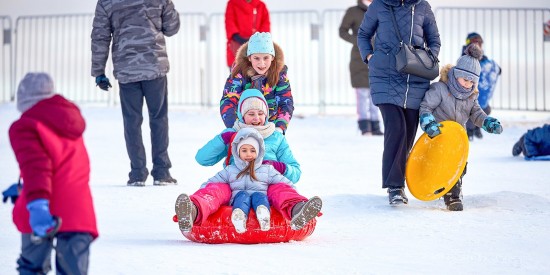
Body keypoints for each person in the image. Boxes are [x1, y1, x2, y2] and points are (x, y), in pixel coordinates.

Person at [175, 89, 321, 233]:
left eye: (261, 114)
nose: (256, 119)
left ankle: (299, 211)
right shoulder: (234, 135)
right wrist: (223, 139)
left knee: (281, 190)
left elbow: (296, 174)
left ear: (266, 115)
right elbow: (202, 159)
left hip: (266, 183)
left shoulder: (276, 137)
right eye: (251, 114)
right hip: (234, 184)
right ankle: (192, 211)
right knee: (216, 190)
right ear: (242, 115)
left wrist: (280, 167)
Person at [5, 72, 98, 274]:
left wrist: (36, 202)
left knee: (32, 268)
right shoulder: (69, 123)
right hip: (78, 212)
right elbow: (65, 170)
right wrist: (24, 189)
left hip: (42, 212)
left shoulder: (25, 126)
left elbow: (37, 168)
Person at [357, 0, 441, 205]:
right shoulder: (378, 5)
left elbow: (434, 40)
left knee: (409, 132)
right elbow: (363, 35)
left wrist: (427, 58)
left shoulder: (422, 7)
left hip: (415, 78)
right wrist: (369, 57)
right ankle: (394, 187)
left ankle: (400, 182)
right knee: (397, 128)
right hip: (385, 77)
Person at [91, 0, 180, 186]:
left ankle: (138, 173)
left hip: (127, 68)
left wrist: (99, 71)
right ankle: (162, 172)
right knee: (159, 119)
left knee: (132, 121)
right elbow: (172, 27)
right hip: (154, 65)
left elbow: (100, 36)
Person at [419, 44, 503, 211]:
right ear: (457, 74)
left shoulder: (471, 96)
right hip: (438, 136)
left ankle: (453, 191)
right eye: (466, 79)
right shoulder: (440, 89)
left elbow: (477, 114)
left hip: (458, 140)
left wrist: (488, 123)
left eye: (472, 81)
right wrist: (428, 122)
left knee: (459, 168)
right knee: (440, 164)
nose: (468, 84)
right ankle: (451, 196)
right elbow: (425, 107)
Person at [191, 127, 294, 233]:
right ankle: (239, 217)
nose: (248, 154)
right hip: (238, 201)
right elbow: (213, 182)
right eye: (244, 150)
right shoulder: (231, 170)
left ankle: (263, 215)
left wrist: (293, 191)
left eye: (252, 150)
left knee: (260, 196)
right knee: (242, 195)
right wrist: (202, 191)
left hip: (259, 200)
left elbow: (284, 182)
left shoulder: (266, 169)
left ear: (258, 152)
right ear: (238, 152)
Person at [220, 32, 294, 134]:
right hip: (243, 126)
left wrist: (279, 128)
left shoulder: (279, 74)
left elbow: (285, 101)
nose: (262, 63)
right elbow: (228, 100)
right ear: (249, 58)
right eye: (256, 58)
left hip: (270, 128)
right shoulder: (239, 74)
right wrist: (235, 126)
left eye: (266, 58)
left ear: (272, 57)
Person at [339, 0, 382, 135]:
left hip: (379, 56)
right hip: (359, 58)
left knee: (376, 92)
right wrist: (359, 41)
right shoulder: (353, 11)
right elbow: (342, 31)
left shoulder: (381, 9)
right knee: (363, 92)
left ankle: (375, 126)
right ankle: (364, 126)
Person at [461, 32, 502, 141]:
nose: (477, 44)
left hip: (478, 94)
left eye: (479, 42)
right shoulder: (465, 58)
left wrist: (494, 68)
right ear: (469, 44)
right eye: (475, 42)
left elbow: (497, 69)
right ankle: (469, 130)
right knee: (470, 109)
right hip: (466, 95)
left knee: (486, 109)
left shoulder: (483, 58)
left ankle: (476, 126)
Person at [225, 0, 271, 68]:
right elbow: (229, 22)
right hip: (237, 47)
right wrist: (238, 38)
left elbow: (265, 25)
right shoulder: (232, 3)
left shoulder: (261, 5)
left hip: (257, 48)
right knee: (236, 74)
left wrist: (259, 38)